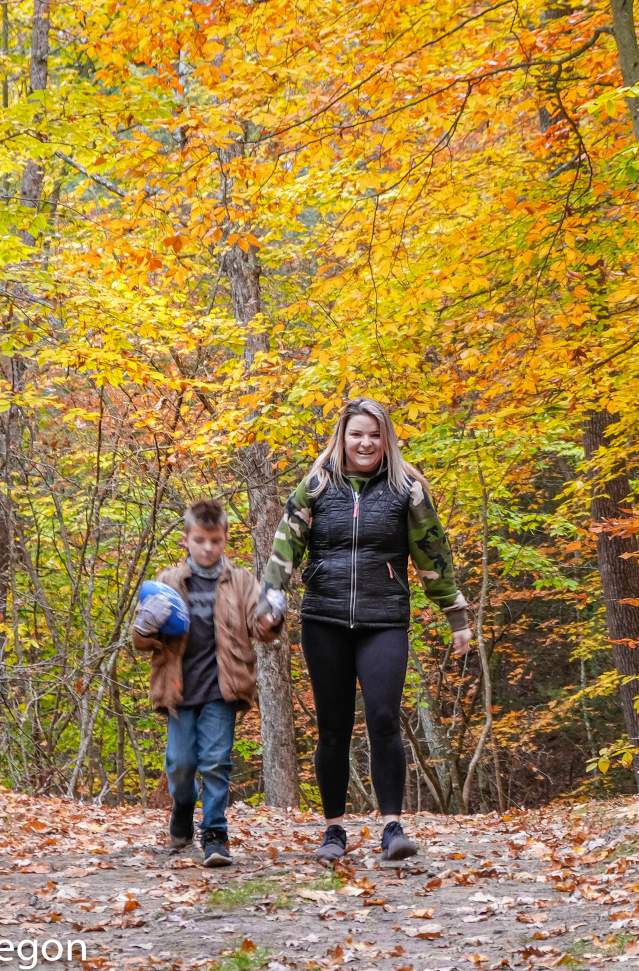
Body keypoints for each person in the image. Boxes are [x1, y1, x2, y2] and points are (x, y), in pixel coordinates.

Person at [257, 398, 472, 863]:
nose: (365, 442)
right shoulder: (316, 485)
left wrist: (456, 615)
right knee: (332, 728)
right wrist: (271, 598)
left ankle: (392, 825)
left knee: (383, 718)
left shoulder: (406, 489)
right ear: (343, 437)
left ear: (386, 439)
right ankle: (334, 830)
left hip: (383, 620)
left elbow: (433, 553)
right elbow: (286, 543)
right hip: (324, 619)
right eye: (357, 434)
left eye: (374, 435)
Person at [132, 499, 279, 867]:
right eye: (200, 540)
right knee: (180, 765)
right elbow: (140, 640)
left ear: (226, 538)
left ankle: (215, 833)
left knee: (215, 761)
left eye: (215, 540)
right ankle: (183, 806)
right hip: (179, 689)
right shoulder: (166, 583)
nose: (208, 547)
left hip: (222, 689)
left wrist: (272, 619)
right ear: (186, 540)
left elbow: (261, 628)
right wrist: (145, 628)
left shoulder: (243, 582)